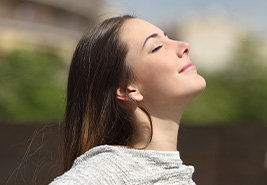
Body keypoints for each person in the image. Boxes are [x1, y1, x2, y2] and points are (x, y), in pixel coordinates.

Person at [50, 15, 206, 185]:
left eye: (168, 37)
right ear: (128, 90)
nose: (184, 45)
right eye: (157, 47)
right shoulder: (107, 172)